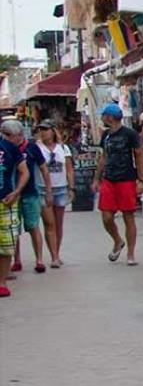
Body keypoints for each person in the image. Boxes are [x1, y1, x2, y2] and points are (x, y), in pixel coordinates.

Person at [93, 104, 143, 265]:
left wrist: (141, 179)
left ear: (110, 116)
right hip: (109, 179)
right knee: (106, 216)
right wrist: (97, 178)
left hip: (126, 178)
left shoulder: (129, 134)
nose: (102, 118)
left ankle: (131, 253)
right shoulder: (106, 135)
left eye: (104, 115)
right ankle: (117, 240)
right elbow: (103, 156)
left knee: (128, 216)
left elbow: (139, 155)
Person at [33, 121, 72, 267]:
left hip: (61, 187)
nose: (43, 133)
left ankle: (57, 251)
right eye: (40, 130)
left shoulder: (63, 148)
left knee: (58, 224)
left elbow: (69, 169)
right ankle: (54, 256)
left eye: (46, 129)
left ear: (53, 131)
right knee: (49, 223)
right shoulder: (36, 148)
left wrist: (71, 188)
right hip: (42, 188)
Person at [0, 119, 30, 296]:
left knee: (6, 243)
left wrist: (17, 192)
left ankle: (2, 281)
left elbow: (24, 171)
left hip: (6, 200)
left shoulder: (9, 148)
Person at [17, 122, 47, 274]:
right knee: (13, 229)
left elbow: (43, 168)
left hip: (30, 193)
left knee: (33, 226)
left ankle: (39, 259)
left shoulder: (32, 147)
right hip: (11, 194)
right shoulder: (6, 148)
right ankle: (16, 260)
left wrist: (48, 190)